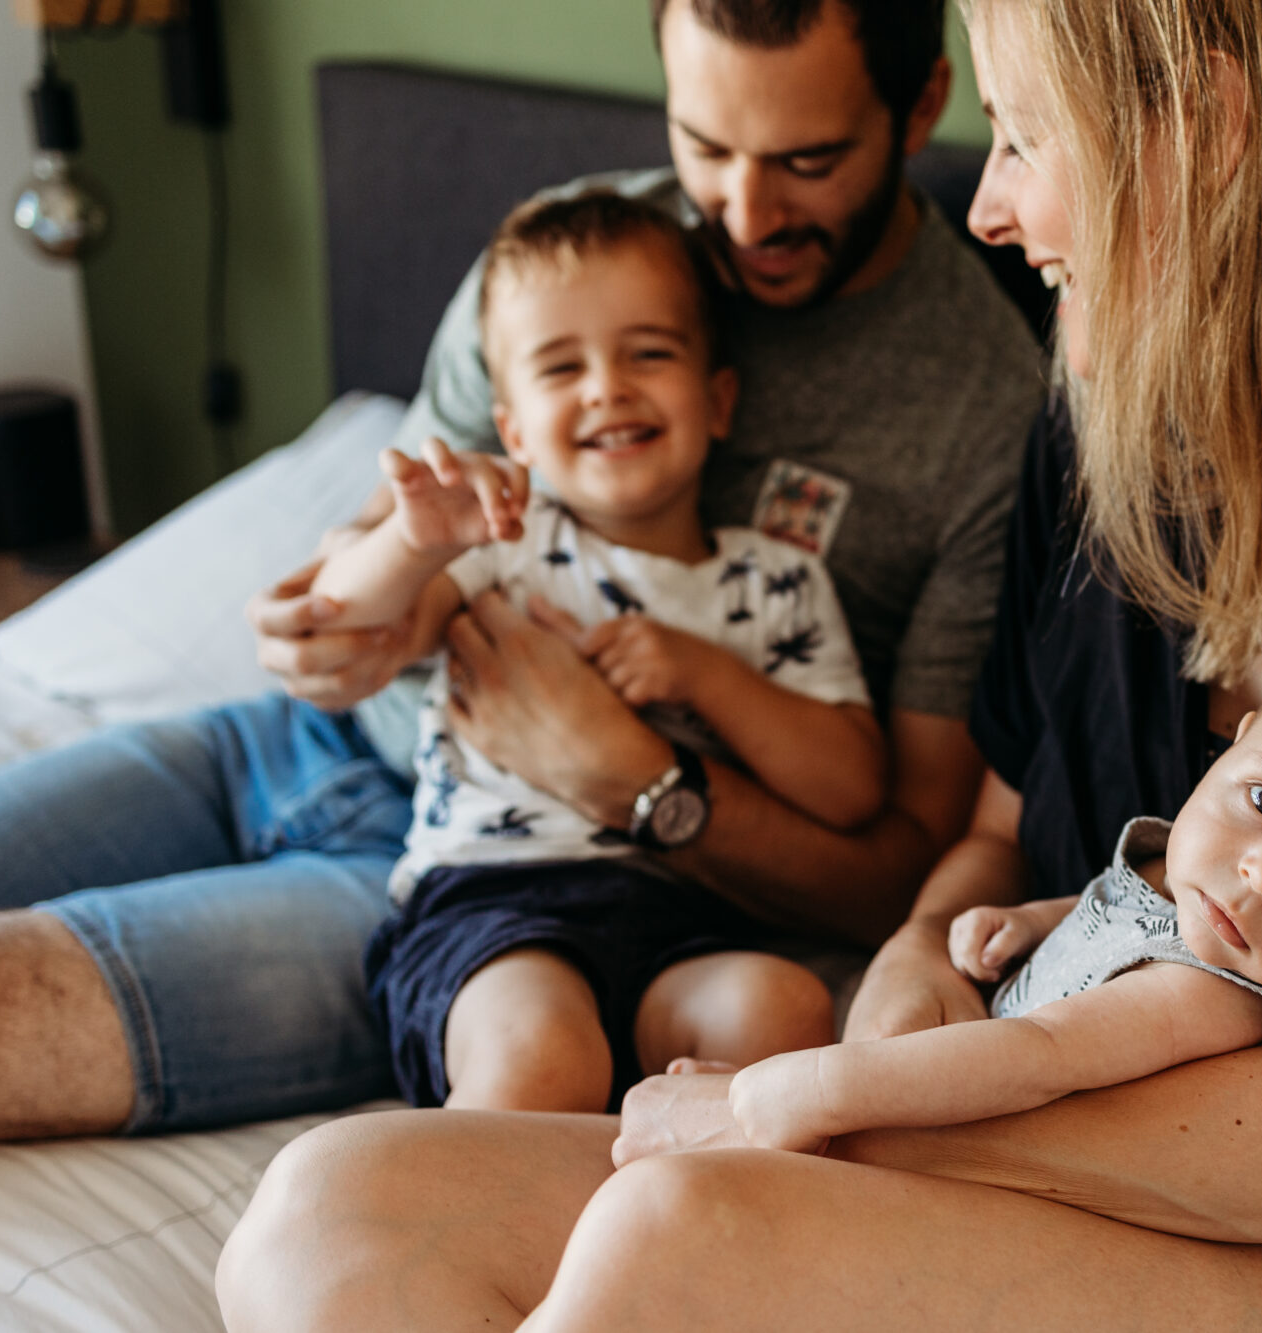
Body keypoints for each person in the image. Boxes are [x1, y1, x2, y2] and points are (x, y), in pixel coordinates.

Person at [217, 0, 1262, 1330]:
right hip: (1042, 1180)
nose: (990, 206)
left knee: (681, 1233)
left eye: (1029, 138)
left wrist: (846, 1116)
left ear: (1214, 121)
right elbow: (989, 832)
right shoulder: (1102, 426)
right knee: (338, 1205)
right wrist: (910, 972)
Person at [0, 0, 1041, 1145]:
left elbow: (899, 860)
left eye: (807, 161)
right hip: (293, 746)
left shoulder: (985, 416)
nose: (743, 213)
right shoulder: (560, 256)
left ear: (919, 107)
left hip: (488, 885)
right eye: (705, 146)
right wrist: (336, 617)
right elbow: (397, 534)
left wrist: (640, 777)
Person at [325, 191, 886, 1113]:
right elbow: (363, 627)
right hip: (494, 905)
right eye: (560, 367)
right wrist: (411, 543)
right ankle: (485, 1240)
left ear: (718, 401)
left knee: (782, 1006)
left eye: (649, 354)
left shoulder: (776, 581)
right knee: (545, 1055)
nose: (607, 388)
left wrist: (707, 674)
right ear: (510, 430)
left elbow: (851, 787)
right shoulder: (503, 537)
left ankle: (682, 1222)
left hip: (688, 916)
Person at [729, 632, 1262, 1154]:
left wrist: (823, 1086)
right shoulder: (1193, 886)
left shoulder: (1220, 992)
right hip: (957, 1088)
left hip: (1003, 1167)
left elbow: (1041, 1055)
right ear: (1237, 741)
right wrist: (1029, 920)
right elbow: (1118, 913)